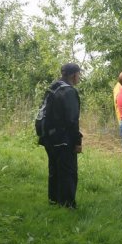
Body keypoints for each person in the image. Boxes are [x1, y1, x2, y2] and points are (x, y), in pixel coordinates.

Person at [43, 63, 83, 209]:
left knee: (54, 169)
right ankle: (67, 205)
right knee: (68, 172)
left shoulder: (53, 87)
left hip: (49, 136)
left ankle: (53, 200)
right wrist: (77, 141)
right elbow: (72, 120)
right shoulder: (69, 91)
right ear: (74, 75)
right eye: (79, 74)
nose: (79, 77)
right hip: (64, 138)